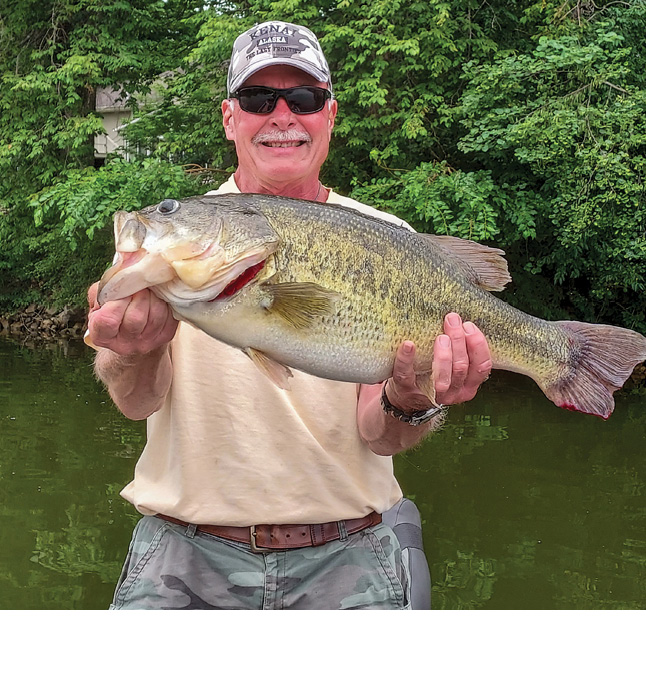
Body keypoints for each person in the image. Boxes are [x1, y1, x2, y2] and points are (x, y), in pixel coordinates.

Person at [87, 21, 492, 610]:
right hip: (183, 551)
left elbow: (380, 435)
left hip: (349, 554)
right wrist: (134, 351)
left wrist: (412, 400)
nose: (282, 116)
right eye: (258, 99)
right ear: (230, 118)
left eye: (303, 98)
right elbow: (135, 402)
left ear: (330, 115)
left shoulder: (392, 239)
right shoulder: (165, 256)